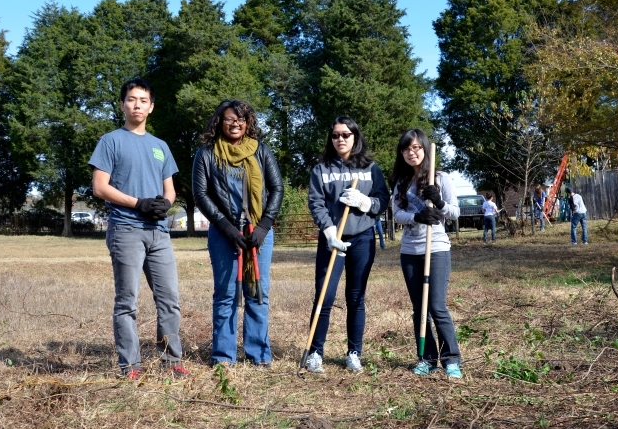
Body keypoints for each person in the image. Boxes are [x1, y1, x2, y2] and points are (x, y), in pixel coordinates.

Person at [89, 78, 190, 380]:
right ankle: (130, 366)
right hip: (126, 229)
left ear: (151, 107)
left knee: (169, 299)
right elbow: (99, 187)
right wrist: (138, 204)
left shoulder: (160, 147)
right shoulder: (110, 141)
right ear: (122, 104)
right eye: (131, 99)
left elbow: (169, 189)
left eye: (143, 100)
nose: (137, 105)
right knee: (127, 302)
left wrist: (164, 204)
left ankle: (173, 361)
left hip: (159, 233)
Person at [192, 99, 284, 367]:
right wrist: (228, 228)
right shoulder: (206, 154)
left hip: (259, 233)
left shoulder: (261, 151)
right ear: (219, 122)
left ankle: (258, 354)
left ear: (248, 123)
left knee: (258, 292)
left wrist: (265, 225)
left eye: (241, 119)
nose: (235, 124)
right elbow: (201, 194)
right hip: (225, 233)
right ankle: (224, 357)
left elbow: (277, 188)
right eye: (230, 119)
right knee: (226, 294)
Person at [305, 116, 390, 374]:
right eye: (335, 135)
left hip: (362, 237)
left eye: (345, 134)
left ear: (355, 136)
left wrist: (365, 203)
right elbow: (316, 202)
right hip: (332, 238)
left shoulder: (370, 168)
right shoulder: (321, 169)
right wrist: (329, 231)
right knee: (325, 295)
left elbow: (382, 200)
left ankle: (354, 352)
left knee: (356, 297)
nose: (340, 139)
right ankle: (315, 353)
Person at [391, 129, 463, 379]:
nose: (412, 152)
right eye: (407, 149)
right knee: (418, 309)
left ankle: (451, 358)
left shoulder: (440, 178)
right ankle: (427, 358)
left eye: (417, 147)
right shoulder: (401, 182)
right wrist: (417, 216)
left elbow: (456, 212)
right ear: (402, 153)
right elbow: (396, 214)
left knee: (436, 306)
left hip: (437, 249)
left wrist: (439, 203)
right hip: (410, 251)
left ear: (424, 149)